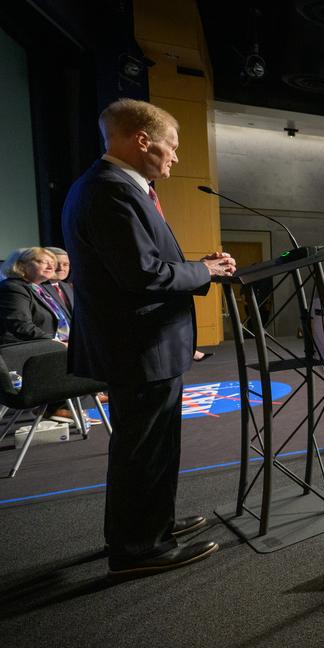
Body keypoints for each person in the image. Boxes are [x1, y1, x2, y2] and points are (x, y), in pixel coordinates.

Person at [62, 98, 234, 575]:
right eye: (171, 146)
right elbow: (142, 275)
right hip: (138, 346)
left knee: (152, 446)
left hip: (144, 344)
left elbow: (145, 264)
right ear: (142, 140)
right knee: (143, 450)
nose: (176, 157)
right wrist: (204, 269)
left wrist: (204, 267)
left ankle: (152, 527)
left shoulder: (115, 187)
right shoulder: (109, 190)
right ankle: (138, 550)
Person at [0, 248, 70, 345]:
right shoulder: (12, 288)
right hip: (27, 350)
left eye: (52, 263)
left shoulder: (37, 288)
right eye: (42, 262)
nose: (51, 266)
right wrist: (56, 343)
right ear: (20, 266)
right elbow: (21, 326)